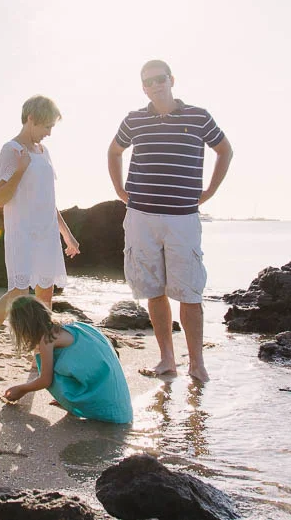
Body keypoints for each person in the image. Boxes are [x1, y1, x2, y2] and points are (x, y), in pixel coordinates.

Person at [107, 59, 233, 383]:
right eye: (148, 81)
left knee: (190, 293)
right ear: (143, 87)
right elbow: (114, 152)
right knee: (153, 289)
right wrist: (120, 189)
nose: (155, 85)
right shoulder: (134, 120)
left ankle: (197, 364)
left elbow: (225, 150)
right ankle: (167, 359)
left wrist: (210, 191)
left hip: (182, 218)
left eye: (160, 79)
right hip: (141, 217)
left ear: (172, 80)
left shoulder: (199, 116)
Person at [0, 95, 80, 379]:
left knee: (45, 295)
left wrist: (67, 234)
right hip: (23, 234)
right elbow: (1, 198)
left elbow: (47, 199)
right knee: (18, 294)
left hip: (46, 233)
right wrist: (20, 169)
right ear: (31, 118)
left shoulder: (44, 151)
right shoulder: (11, 150)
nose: (49, 132)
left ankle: (39, 359)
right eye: (47, 125)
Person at [3, 296, 133, 424]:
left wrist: (21, 389)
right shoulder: (73, 326)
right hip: (117, 400)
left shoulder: (47, 340)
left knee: (45, 365)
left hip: (105, 408)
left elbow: (45, 380)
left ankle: (72, 401)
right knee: (57, 359)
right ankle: (71, 397)